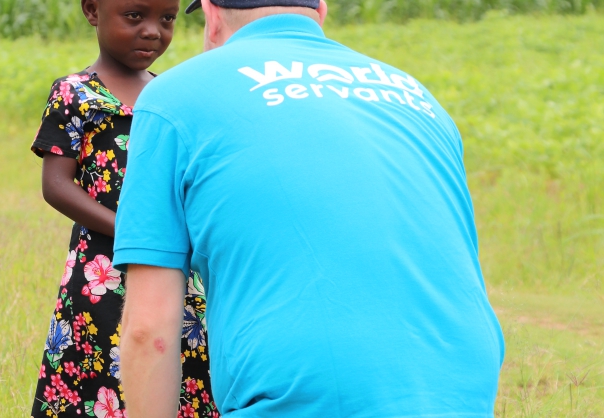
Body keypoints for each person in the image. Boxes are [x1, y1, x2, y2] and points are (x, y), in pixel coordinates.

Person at [113, 0, 505, 417]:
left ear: (211, 15)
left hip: (302, 393)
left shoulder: (175, 95)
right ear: (320, 9)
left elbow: (148, 331)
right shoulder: (415, 94)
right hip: (462, 385)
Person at [28, 0, 219, 416]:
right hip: (101, 269)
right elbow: (56, 186)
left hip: (174, 264)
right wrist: (131, 231)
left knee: (178, 358)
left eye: (166, 19)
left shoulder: (171, 95)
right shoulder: (75, 93)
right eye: (135, 16)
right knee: (98, 362)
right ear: (93, 11)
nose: (153, 31)